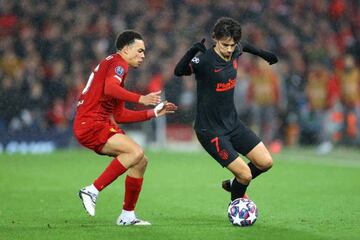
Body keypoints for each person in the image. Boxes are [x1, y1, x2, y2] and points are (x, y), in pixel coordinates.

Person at [73, 30, 177, 226]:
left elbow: (120, 115)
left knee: (140, 161)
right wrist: (142, 99)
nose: (143, 55)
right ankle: (92, 190)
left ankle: (127, 215)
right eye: (140, 50)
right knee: (135, 151)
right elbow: (110, 89)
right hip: (92, 122)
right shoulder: (118, 64)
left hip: (96, 123)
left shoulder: (115, 69)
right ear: (126, 49)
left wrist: (154, 112)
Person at [174, 17, 277, 202]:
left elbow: (243, 46)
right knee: (245, 175)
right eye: (225, 45)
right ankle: (236, 206)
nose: (229, 49)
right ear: (215, 38)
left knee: (265, 162)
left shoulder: (236, 49)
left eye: (232, 45)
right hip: (210, 131)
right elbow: (179, 71)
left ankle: (234, 184)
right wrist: (190, 53)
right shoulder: (204, 60)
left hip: (233, 124)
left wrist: (264, 54)